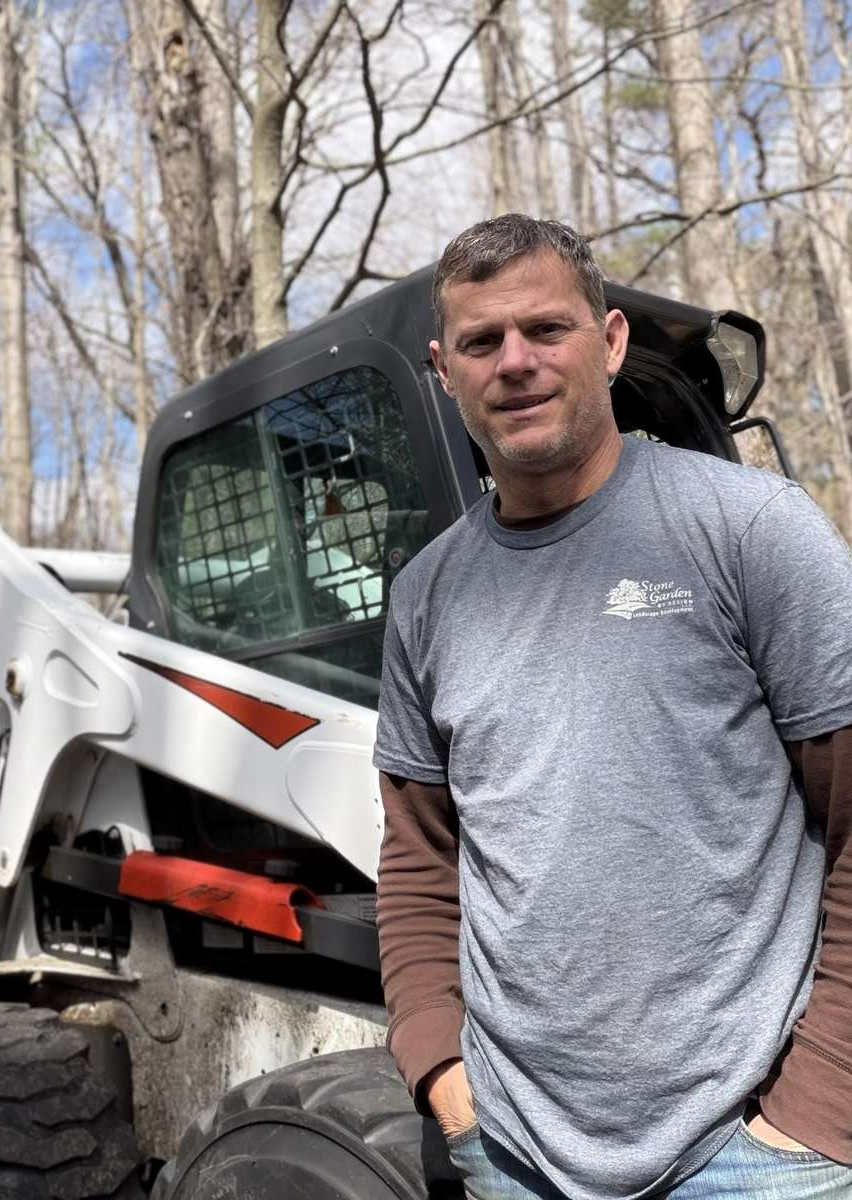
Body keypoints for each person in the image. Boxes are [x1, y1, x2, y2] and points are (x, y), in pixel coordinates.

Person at [372, 214, 852, 1200]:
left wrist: (817, 1109)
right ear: (443, 368)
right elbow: (419, 865)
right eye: (481, 341)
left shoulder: (751, 530)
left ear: (612, 340)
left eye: (546, 329)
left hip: (752, 1156)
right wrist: (442, 1075)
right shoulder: (426, 599)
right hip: (511, 1152)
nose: (515, 362)